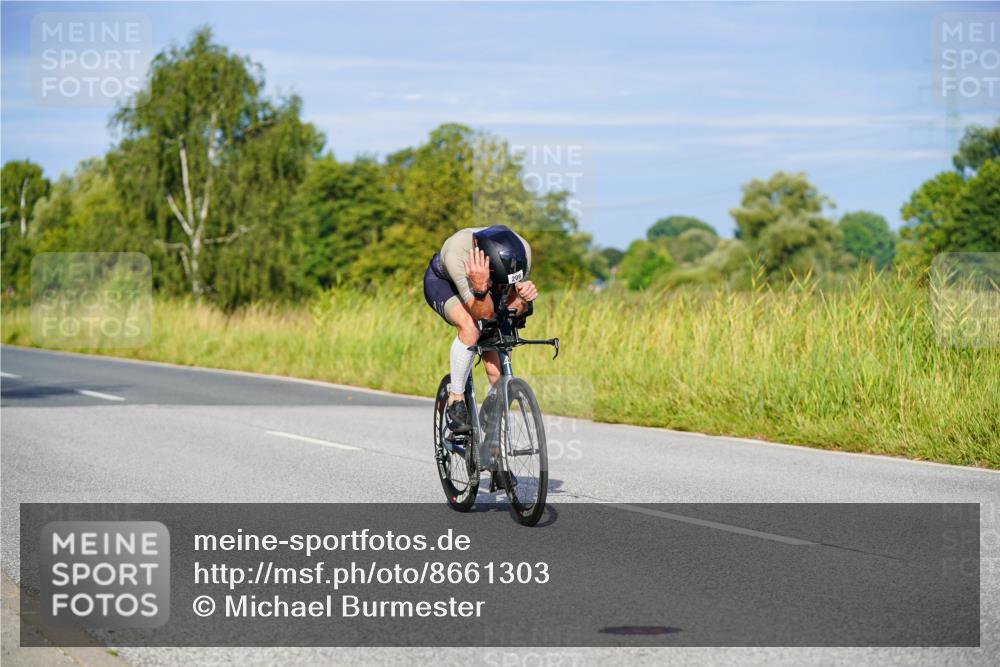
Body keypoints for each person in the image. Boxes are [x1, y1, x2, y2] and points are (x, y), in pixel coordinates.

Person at [423, 225, 538, 435]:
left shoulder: (523, 251)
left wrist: (523, 297)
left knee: (501, 346)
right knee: (471, 327)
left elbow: (514, 308)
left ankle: (494, 436)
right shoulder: (458, 254)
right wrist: (480, 287)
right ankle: (456, 399)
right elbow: (481, 313)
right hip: (446, 283)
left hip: (491, 281)